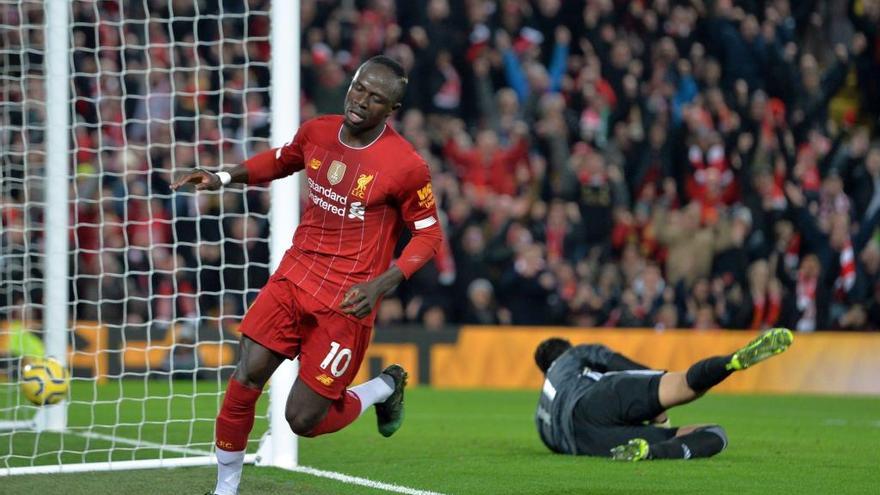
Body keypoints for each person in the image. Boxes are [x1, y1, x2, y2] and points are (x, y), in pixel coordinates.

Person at [171, 55, 443, 495]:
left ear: (391, 110)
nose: (360, 102)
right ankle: (225, 488)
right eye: (358, 88)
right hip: (294, 277)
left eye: (375, 99)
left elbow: (429, 237)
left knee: (303, 420)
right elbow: (280, 160)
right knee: (245, 377)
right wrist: (222, 176)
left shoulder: (406, 166)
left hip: (346, 300)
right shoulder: (318, 130)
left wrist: (381, 284)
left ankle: (381, 387)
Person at [533, 328, 794, 461]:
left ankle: (649, 453)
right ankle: (730, 362)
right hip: (591, 400)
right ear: (565, 348)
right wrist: (657, 384)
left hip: (587, 443)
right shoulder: (573, 355)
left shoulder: (540, 419)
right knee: (692, 399)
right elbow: (612, 361)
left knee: (704, 433)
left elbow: (559, 445)